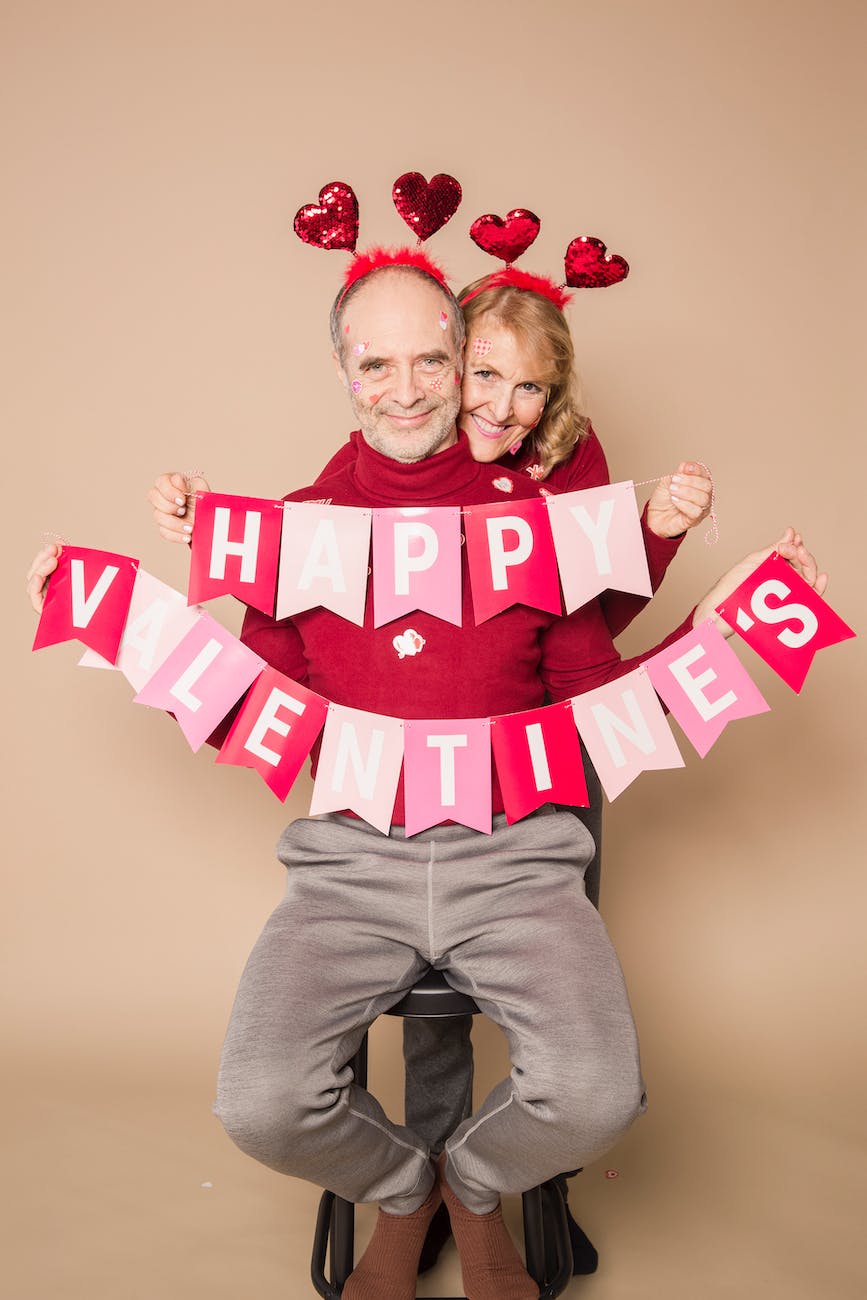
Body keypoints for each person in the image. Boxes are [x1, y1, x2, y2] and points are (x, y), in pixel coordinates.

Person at [26, 251, 826, 1300]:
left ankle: (475, 1186)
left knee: (597, 1094)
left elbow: (598, 696)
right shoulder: (301, 526)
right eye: (375, 363)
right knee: (261, 1100)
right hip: (350, 860)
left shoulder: (537, 523)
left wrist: (727, 615)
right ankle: (408, 1191)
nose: (404, 387)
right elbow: (246, 688)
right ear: (343, 372)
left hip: (522, 854)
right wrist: (121, 615)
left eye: (430, 360)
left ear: (463, 364)